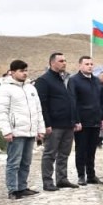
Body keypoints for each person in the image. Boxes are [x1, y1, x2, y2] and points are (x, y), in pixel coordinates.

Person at [0, 59, 45, 199]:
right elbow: (1, 111)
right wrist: (6, 130)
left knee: (26, 161)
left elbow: (37, 110)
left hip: (30, 130)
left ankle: (22, 187)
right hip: (15, 131)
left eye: (26, 70)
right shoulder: (4, 89)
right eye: (21, 71)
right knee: (14, 162)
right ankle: (12, 189)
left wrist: (40, 129)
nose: (24, 73)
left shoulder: (30, 88)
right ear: (12, 72)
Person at [35, 52, 80, 191]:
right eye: (61, 61)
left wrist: (76, 120)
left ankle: (62, 178)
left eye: (65, 60)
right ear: (52, 63)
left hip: (68, 123)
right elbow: (42, 104)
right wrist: (46, 124)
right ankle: (47, 181)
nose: (64, 63)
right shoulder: (44, 80)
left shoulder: (66, 79)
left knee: (64, 153)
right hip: (54, 125)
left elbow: (72, 101)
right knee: (50, 153)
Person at [71, 56, 103, 185]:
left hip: (95, 121)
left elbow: (102, 101)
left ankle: (91, 175)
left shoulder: (97, 81)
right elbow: (73, 102)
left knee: (92, 150)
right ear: (80, 65)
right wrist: (76, 120)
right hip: (82, 122)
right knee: (81, 149)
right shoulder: (74, 80)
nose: (90, 66)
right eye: (87, 64)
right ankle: (81, 175)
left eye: (92, 64)